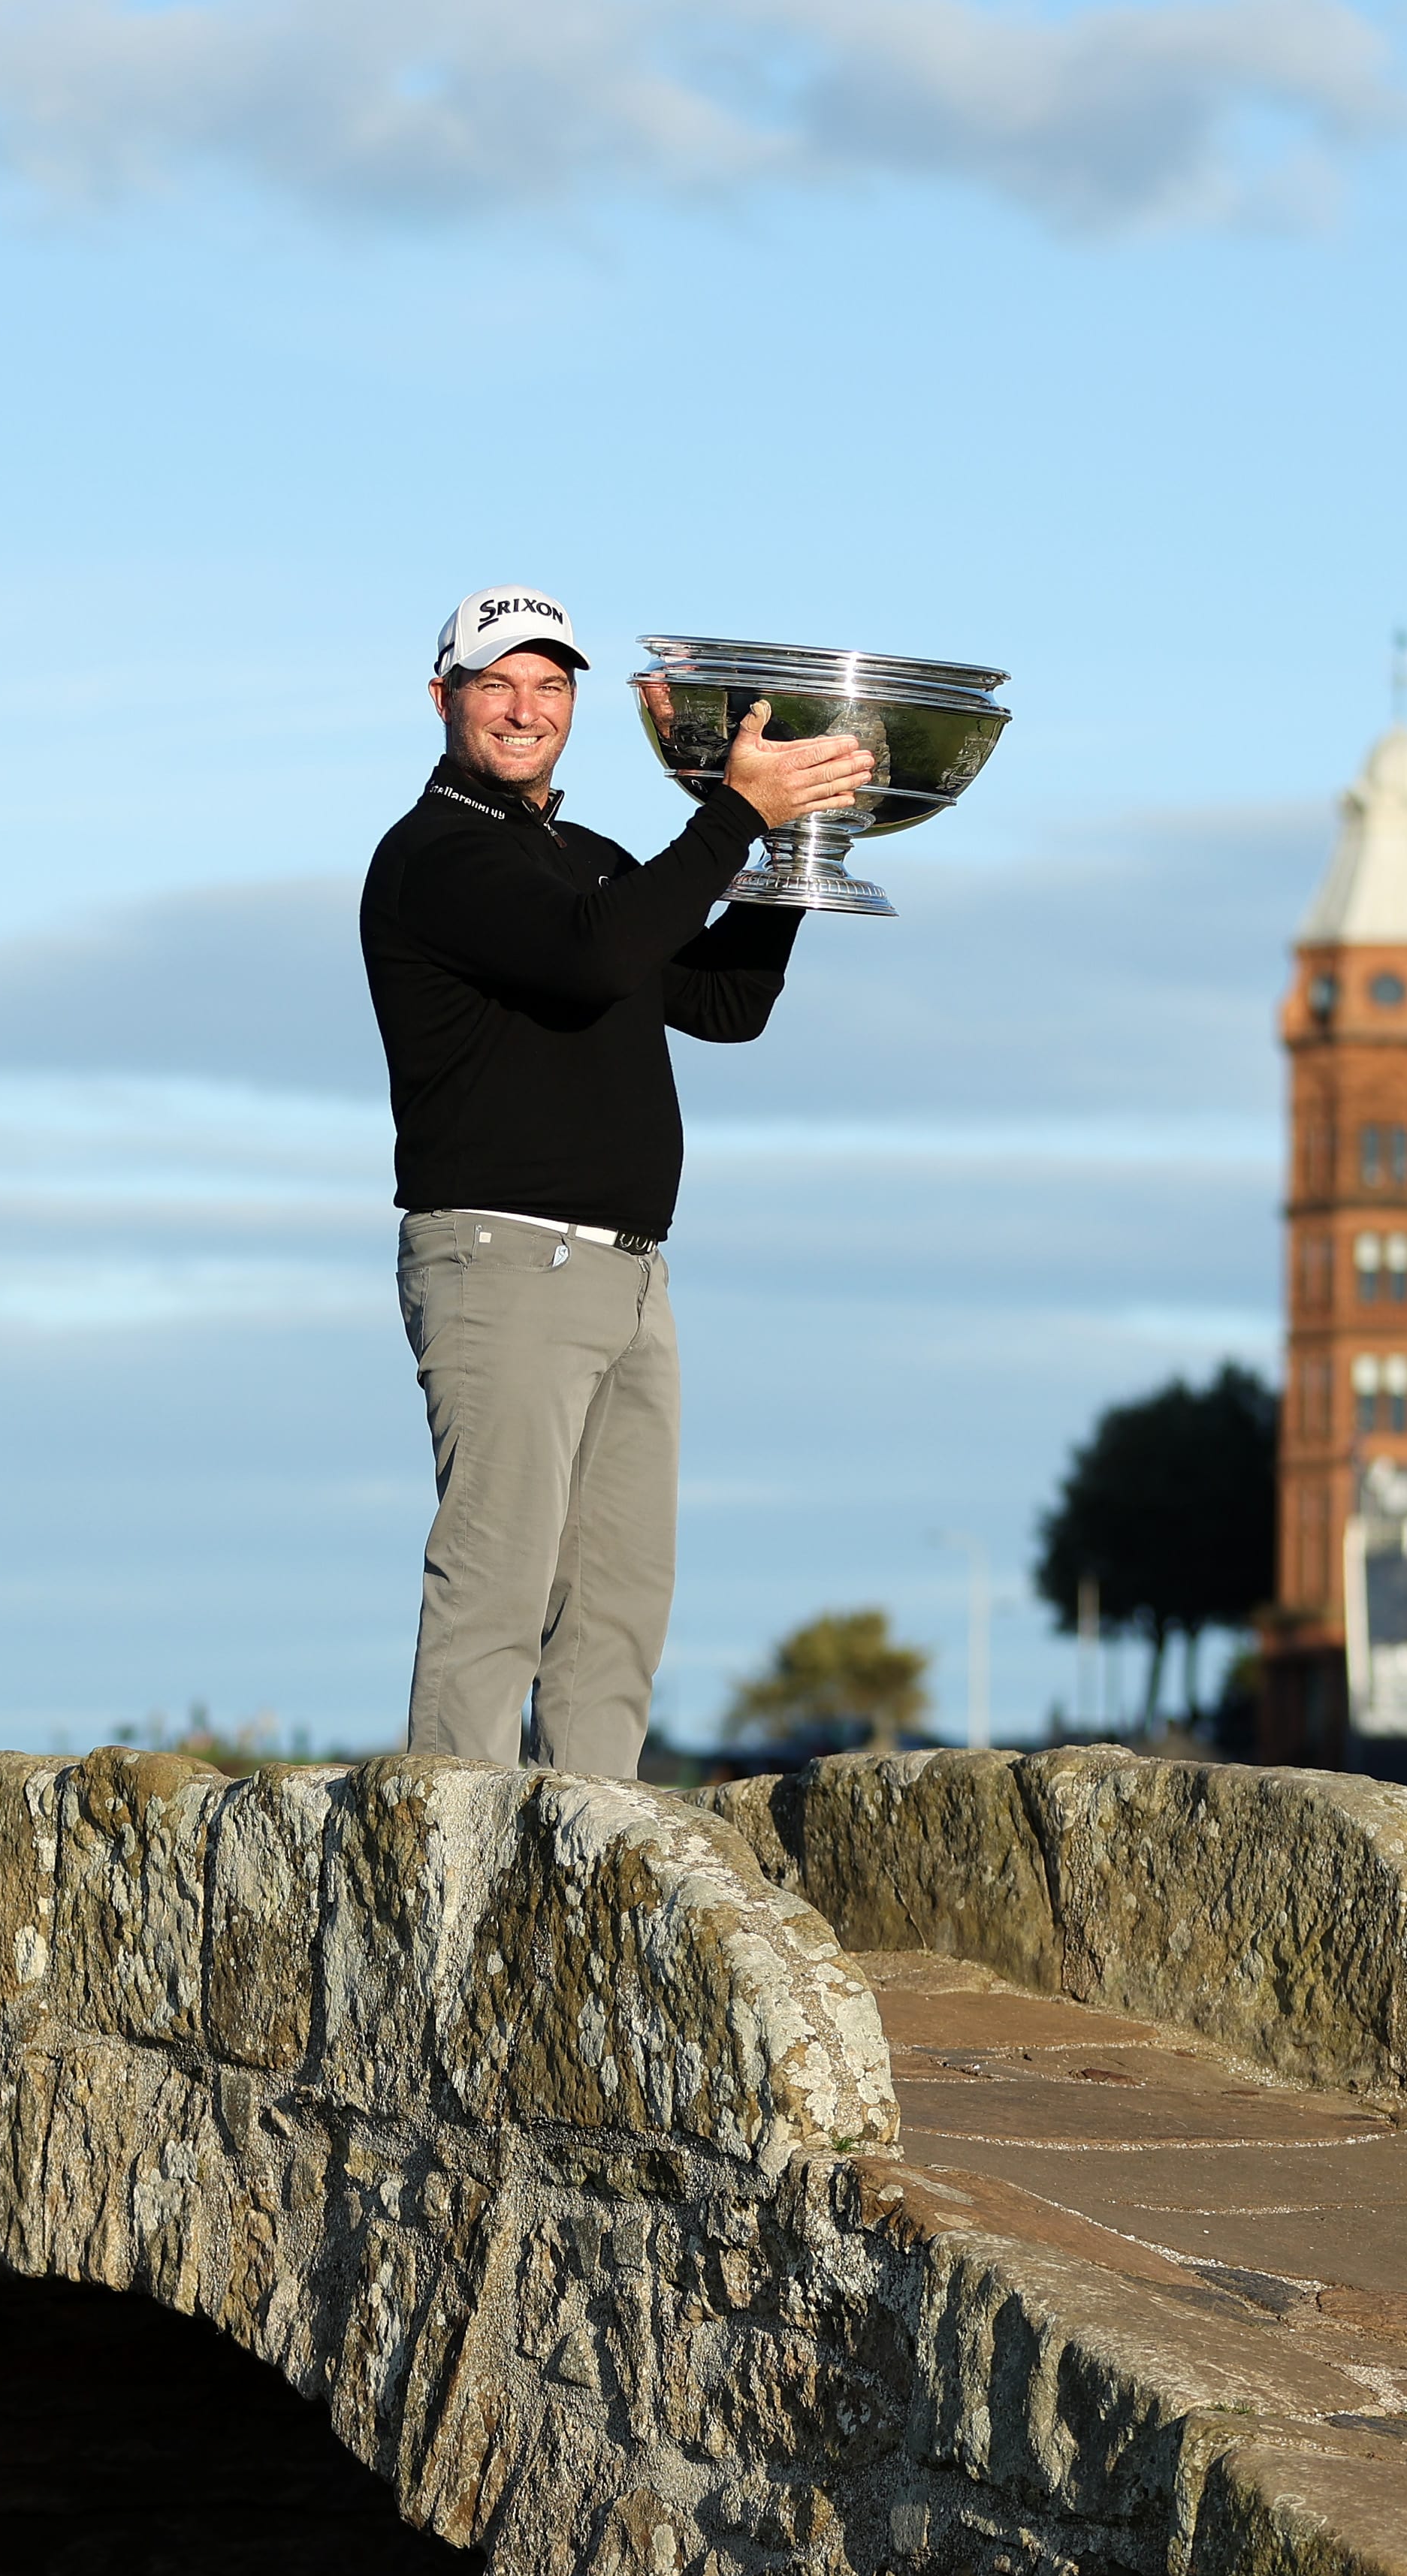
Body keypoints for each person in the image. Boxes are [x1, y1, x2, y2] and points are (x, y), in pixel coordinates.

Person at [361, 585, 872, 1777]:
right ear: (443, 700)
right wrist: (728, 818)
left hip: (629, 1274)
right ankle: (445, 1896)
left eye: (549, 685)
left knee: (613, 1608)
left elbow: (723, 1002)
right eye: (495, 684)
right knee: (497, 1587)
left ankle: (589, 1880)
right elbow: (594, 956)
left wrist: (784, 841)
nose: (523, 708)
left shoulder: (584, 858)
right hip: (500, 1257)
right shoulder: (434, 856)